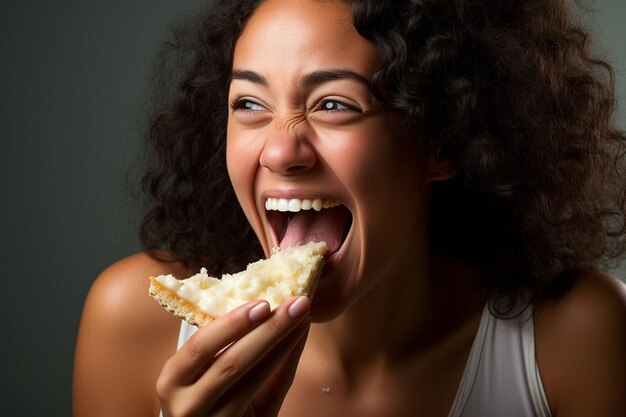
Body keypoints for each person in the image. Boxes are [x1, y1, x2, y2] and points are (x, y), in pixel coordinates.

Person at [73, 0, 626, 416]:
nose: (280, 150)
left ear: (445, 139)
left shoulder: (573, 337)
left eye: (334, 104)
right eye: (249, 104)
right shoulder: (133, 325)